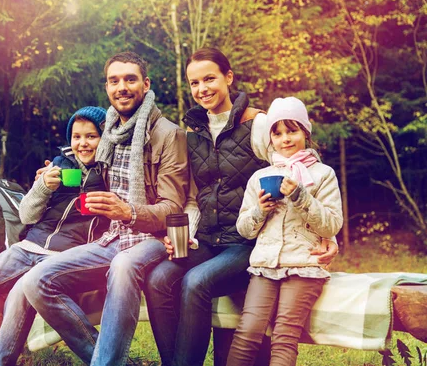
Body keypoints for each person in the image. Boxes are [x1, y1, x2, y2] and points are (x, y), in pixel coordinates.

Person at [143, 48, 339, 366]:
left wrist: (327, 237)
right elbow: (194, 197)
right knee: (159, 280)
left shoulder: (259, 125)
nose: (202, 89)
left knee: (196, 281)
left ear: (228, 78)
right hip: (207, 240)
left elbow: (299, 170)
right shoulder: (194, 133)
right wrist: (187, 235)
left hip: (248, 242)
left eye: (210, 79)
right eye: (195, 83)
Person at [21, 51, 189, 366]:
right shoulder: (108, 133)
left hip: (152, 239)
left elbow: (173, 207)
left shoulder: (168, 134)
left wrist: (129, 212)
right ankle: (107, 358)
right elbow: (82, 164)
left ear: (146, 84)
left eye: (130, 79)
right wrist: (49, 175)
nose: (122, 87)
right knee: (35, 280)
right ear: (107, 87)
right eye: (114, 81)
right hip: (110, 238)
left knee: (124, 264)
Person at [0, 105, 109, 366]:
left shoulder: (110, 170)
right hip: (29, 247)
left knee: (20, 294)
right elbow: (26, 215)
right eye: (77, 137)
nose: (83, 143)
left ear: (104, 137)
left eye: (91, 136)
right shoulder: (59, 165)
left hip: (67, 255)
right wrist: (42, 187)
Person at [226, 96, 343, 366]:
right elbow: (244, 229)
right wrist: (260, 210)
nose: (285, 139)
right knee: (247, 332)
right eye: (277, 133)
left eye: (292, 130)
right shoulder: (259, 177)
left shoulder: (323, 174)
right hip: (265, 266)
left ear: (306, 132)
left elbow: (331, 225)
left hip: (304, 265)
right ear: (271, 139)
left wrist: (301, 196)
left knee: (284, 335)